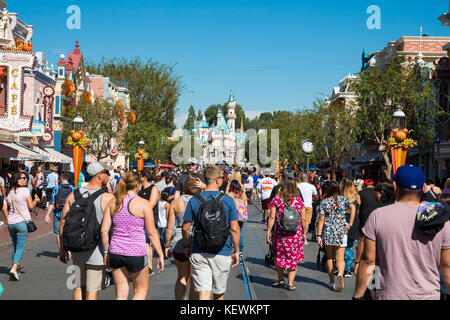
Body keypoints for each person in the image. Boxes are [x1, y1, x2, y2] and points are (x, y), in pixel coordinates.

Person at [353, 165, 450, 300]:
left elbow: (369, 260)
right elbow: (446, 264)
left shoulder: (378, 216)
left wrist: (358, 295)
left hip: (389, 294)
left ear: (395, 186)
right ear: (423, 188)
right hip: (428, 295)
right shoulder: (440, 219)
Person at [100, 171, 164, 300]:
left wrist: (106, 251)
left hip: (116, 251)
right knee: (140, 291)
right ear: (138, 184)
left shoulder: (114, 203)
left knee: (120, 295)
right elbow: (151, 233)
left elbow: (104, 230)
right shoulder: (143, 204)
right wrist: (160, 254)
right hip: (137, 252)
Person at [182, 165, 240, 300]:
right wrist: (236, 250)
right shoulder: (228, 200)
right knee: (219, 293)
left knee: (203, 292)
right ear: (218, 180)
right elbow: (234, 228)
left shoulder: (194, 200)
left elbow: (185, 228)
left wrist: (187, 246)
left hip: (199, 250)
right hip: (222, 251)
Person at [58, 162, 115, 300]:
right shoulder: (107, 198)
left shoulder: (74, 195)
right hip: (97, 250)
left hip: (77, 248)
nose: (109, 176)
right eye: (107, 173)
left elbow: (63, 223)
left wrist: (62, 248)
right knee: (92, 290)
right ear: (100, 175)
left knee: (78, 287)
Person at [164, 174, 202, 300]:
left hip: (179, 242)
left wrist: (167, 245)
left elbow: (169, 227)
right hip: (197, 241)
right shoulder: (201, 200)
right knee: (195, 278)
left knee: (182, 276)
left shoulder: (175, 202)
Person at [267, 174, 306, 291]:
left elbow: (272, 217)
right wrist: (304, 233)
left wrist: (268, 232)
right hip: (295, 235)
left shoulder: (277, 200)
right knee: (292, 258)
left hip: (280, 235)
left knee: (278, 256)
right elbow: (303, 219)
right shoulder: (299, 201)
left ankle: (280, 279)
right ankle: (290, 283)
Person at [317, 180, 355, 292]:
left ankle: (332, 281)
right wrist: (350, 223)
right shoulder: (343, 199)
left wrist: (319, 235)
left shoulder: (324, 202)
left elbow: (321, 219)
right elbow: (353, 207)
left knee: (329, 257)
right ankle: (340, 274)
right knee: (340, 258)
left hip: (329, 232)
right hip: (342, 231)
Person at [2, 172, 39, 280]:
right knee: (20, 247)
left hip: (11, 223)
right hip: (22, 222)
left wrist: (8, 218)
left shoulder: (8, 192)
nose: (26, 179)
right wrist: (36, 201)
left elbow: (4, 208)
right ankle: (14, 268)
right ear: (17, 180)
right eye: (23, 178)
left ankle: (15, 269)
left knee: (14, 245)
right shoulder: (25, 191)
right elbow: (31, 206)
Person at [45, 172, 76, 253]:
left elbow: (52, 203)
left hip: (58, 213)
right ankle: (68, 250)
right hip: (70, 214)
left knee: (59, 233)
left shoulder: (56, 188)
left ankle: (61, 251)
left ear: (61, 178)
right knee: (69, 232)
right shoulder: (73, 189)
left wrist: (47, 215)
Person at [138, 169, 160, 276]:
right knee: (141, 242)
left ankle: (149, 267)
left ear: (144, 178)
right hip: (139, 218)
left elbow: (151, 204)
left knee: (147, 243)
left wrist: (140, 210)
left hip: (149, 218)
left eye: (139, 176)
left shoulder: (153, 188)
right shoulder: (139, 189)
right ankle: (142, 265)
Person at [340, 177, 361, 278]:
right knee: (349, 246)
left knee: (341, 246)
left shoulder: (340, 195)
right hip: (354, 222)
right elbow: (359, 207)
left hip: (343, 220)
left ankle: (340, 267)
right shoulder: (356, 195)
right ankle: (347, 268)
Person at [227, 180, 248, 256]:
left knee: (231, 231)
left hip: (233, 215)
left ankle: (230, 247)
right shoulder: (242, 194)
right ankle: (240, 249)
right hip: (241, 216)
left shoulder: (231, 195)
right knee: (240, 232)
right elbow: (246, 205)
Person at [297, 173, 318, 245]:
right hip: (309, 205)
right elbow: (316, 196)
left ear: (301, 179)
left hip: (299, 205)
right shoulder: (311, 186)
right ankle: (305, 236)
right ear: (307, 179)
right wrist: (313, 201)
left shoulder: (297, 186)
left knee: (300, 221)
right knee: (306, 222)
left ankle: (300, 236)